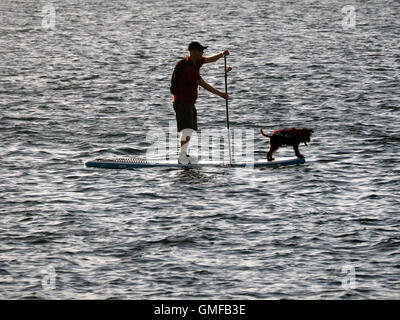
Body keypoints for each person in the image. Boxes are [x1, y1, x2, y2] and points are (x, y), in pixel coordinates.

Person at [172, 41, 229, 164]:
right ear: (192, 52)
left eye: (202, 51)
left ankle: (183, 155)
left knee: (190, 130)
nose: (202, 53)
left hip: (189, 103)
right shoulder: (188, 67)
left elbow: (209, 59)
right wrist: (221, 94)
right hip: (182, 103)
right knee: (187, 129)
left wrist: (222, 54)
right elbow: (203, 84)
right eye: (200, 51)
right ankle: (182, 157)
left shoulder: (196, 62)